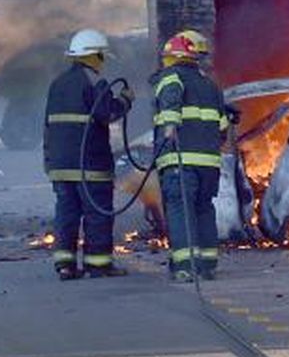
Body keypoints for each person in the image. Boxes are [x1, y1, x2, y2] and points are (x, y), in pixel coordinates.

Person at [42, 29, 132, 280]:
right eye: (102, 57)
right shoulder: (95, 82)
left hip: (61, 164)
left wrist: (49, 161)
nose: (102, 63)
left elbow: (48, 125)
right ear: (95, 56)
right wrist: (125, 100)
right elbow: (108, 114)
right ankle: (98, 265)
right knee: (97, 213)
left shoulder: (57, 83)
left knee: (67, 214)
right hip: (90, 163)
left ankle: (65, 266)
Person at [151, 30, 228, 281]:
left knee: (179, 209)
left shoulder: (171, 77)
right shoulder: (211, 86)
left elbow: (170, 102)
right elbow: (223, 128)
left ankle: (185, 266)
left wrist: (170, 127)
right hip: (209, 164)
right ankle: (207, 265)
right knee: (203, 209)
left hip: (179, 160)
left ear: (174, 56)